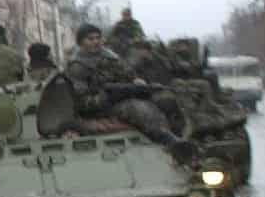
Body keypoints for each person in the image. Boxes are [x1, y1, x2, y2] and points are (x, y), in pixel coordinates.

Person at [60, 21, 192, 156]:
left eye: (98, 38)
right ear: (81, 42)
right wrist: (108, 97)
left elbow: (128, 74)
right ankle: (168, 140)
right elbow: (80, 102)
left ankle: (180, 136)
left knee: (166, 99)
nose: (96, 42)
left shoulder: (110, 57)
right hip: (101, 108)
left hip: (123, 96)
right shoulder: (77, 66)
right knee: (138, 108)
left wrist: (136, 82)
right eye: (90, 39)